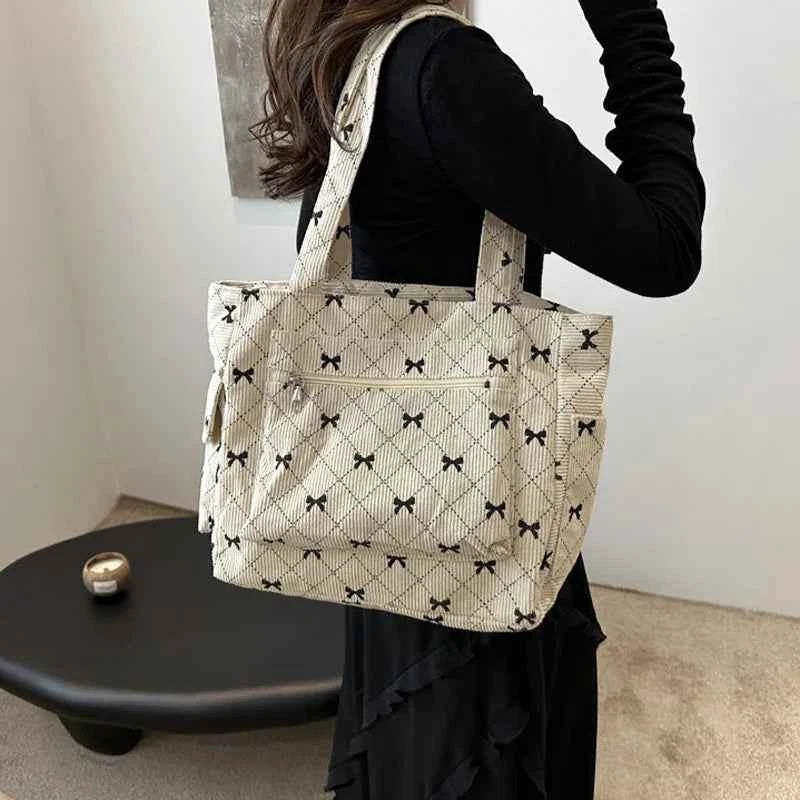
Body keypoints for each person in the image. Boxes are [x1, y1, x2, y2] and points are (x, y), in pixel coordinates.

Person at [252, 0, 705, 797]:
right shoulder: (445, 67)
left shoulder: (349, 43)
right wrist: (631, 25)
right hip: (476, 511)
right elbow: (666, 249)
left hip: (384, 499)